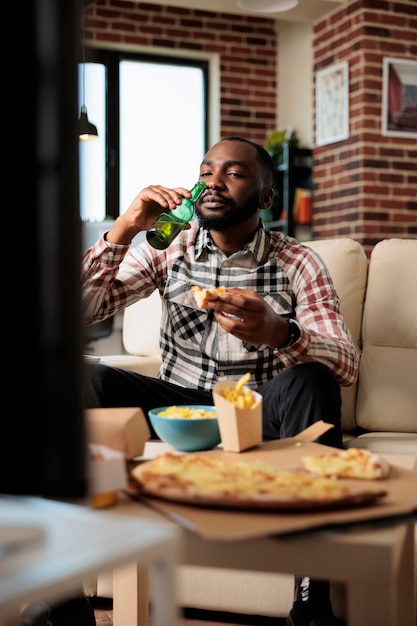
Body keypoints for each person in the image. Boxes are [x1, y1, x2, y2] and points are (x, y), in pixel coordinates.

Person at [81, 136, 358, 626]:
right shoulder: (170, 249)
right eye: (207, 172)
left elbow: (345, 365)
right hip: (178, 409)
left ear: (265, 197)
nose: (213, 183)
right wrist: (125, 228)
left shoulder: (298, 261)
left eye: (233, 173)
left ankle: (313, 599)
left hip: (256, 412)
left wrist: (283, 332)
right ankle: (63, 597)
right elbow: (83, 312)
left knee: (312, 379)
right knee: (80, 378)